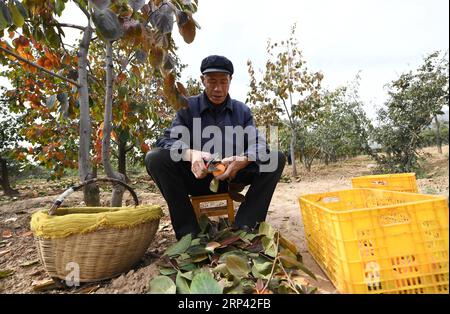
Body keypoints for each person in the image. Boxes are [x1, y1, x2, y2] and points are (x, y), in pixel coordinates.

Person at [145, 55, 286, 240]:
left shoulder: (242, 111)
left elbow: (259, 144)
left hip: (232, 178)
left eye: (223, 82)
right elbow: (166, 141)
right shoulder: (187, 107)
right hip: (198, 177)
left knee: (276, 158)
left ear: (230, 81)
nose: (218, 89)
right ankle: (189, 233)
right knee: (155, 158)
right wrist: (191, 154)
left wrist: (243, 159)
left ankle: (246, 226)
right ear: (202, 80)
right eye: (211, 82)